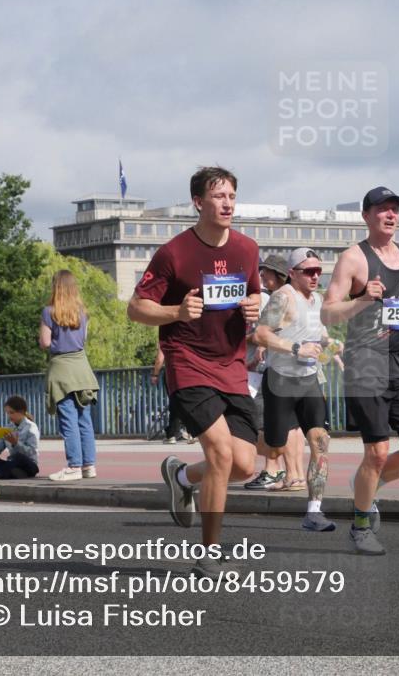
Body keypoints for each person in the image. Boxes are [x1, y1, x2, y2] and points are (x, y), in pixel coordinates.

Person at [128, 166, 261, 577]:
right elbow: (136, 308)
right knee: (220, 452)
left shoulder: (247, 249)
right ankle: (208, 554)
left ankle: (182, 477)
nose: (227, 204)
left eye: (232, 196)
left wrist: (254, 306)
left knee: (244, 465)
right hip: (187, 360)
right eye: (219, 196)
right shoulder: (175, 253)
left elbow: (255, 293)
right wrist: (177, 312)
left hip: (232, 364)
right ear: (198, 202)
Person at [322, 186, 399, 556]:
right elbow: (327, 313)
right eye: (383, 209)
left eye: (395, 210)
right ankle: (360, 526)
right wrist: (361, 299)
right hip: (366, 364)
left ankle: (366, 487)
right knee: (377, 453)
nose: (390, 215)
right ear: (366, 216)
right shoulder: (353, 258)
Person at [254, 248, 336, 531]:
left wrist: (334, 347)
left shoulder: (317, 300)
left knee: (320, 443)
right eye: (308, 271)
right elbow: (260, 334)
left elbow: (320, 335)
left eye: (318, 271)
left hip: (308, 380)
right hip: (280, 382)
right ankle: (233, 445)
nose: (315, 276)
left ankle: (314, 512)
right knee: (274, 447)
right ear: (292, 272)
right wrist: (296, 348)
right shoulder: (283, 297)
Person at [244, 253, 301, 490]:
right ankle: (293, 474)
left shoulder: (274, 298)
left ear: (278, 274)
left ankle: (275, 470)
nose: (260, 275)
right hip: (291, 368)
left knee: (266, 424)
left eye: (265, 271)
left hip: (270, 369)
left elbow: (265, 333)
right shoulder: (295, 296)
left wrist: (253, 341)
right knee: (290, 425)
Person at [41, 270, 99, 482]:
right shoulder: (83, 313)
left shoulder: (49, 312)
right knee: (84, 419)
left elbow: (45, 342)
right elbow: (83, 339)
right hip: (82, 368)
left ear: (56, 287)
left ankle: (74, 466)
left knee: (68, 420)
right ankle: (88, 466)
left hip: (61, 370)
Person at [0, 395, 40, 479]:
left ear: (21, 412)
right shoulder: (8, 428)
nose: (9, 416)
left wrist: (16, 444)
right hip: (11, 463)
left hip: (28, 464)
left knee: (18, 457)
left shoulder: (31, 427)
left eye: (12, 412)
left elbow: (32, 452)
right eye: (7, 413)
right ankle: (13, 472)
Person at [151, 347, 190, 443]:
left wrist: (155, 374)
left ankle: (172, 434)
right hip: (188, 372)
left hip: (173, 373)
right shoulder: (189, 339)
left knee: (175, 402)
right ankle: (191, 433)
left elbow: (160, 358)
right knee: (189, 402)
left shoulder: (167, 340)